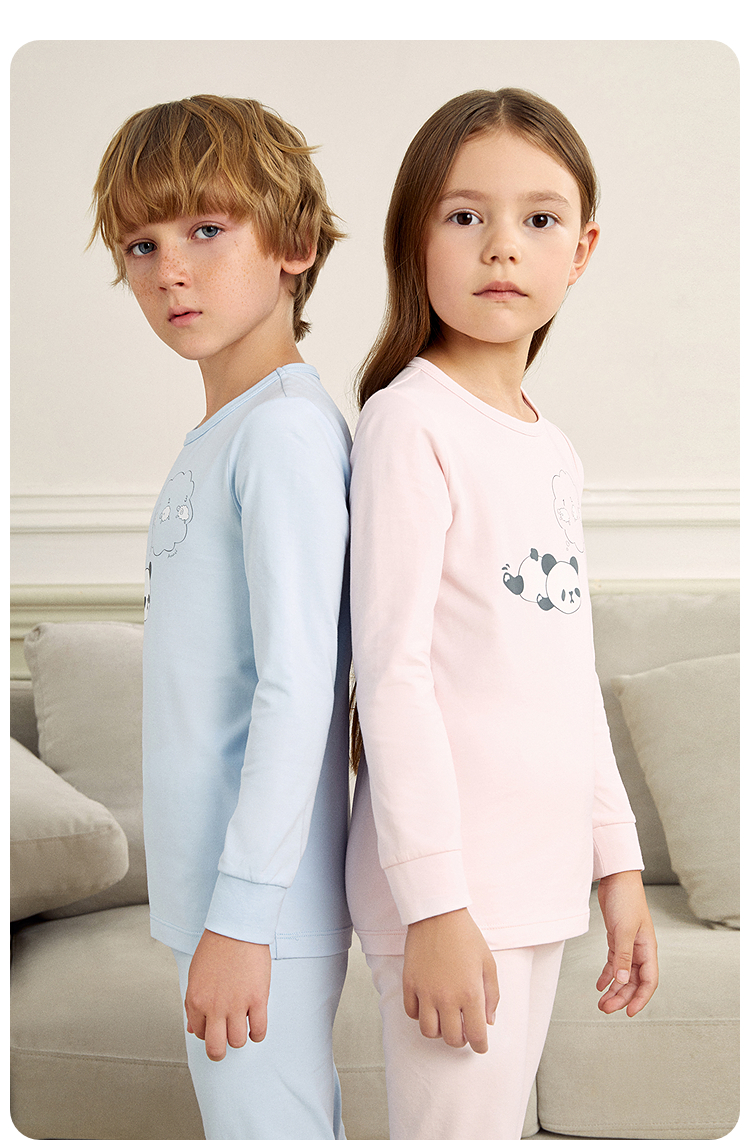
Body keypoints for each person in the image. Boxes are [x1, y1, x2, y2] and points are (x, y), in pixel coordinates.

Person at [346, 87, 659, 1140]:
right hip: (452, 894)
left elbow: (568, 679)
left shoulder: (552, 449)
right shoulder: (408, 425)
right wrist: (435, 905)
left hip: (540, 877)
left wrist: (617, 864)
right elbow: (391, 676)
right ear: (414, 239)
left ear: (583, 250)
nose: (501, 247)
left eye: (539, 218)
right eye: (464, 214)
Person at [90, 94, 352, 1140]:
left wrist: (241, 920)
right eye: (141, 245)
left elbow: (299, 688)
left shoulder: (282, 435)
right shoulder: (228, 432)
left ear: (294, 244)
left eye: (206, 229)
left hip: (258, 913)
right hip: (218, 903)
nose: (170, 271)